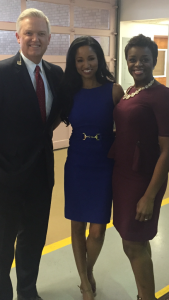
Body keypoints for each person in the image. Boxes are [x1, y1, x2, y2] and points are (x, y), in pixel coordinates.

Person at [0, 8, 63, 300]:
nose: (35, 39)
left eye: (40, 34)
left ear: (49, 38)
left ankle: (27, 291)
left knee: (33, 239)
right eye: (29, 33)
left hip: (42, 174)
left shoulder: (55, 74)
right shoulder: (1, 74)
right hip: (6, 177)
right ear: (18, 37)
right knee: (3, 242)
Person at [60, 36, 124, 300]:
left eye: (91, 58)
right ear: (73, 63)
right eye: (80, 60)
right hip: (77, 164)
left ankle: (86, 270)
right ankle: (85, 284)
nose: (86, 64)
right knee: (77, 225)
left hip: (103, 165)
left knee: (97, 229)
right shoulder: (68, 92)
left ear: (99, 59)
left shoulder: (114, 90)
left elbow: (127, 130)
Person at [108, 34, 169, 300]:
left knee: (133, 242)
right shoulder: (131, 91)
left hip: (143, 181)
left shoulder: (162, 96)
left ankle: (147, 297)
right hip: (122, 176)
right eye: (132, 59)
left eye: (144, 59)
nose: (138, 64)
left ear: (154, 60)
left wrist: (150, 196)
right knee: (132, 240)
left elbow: (167, 151)